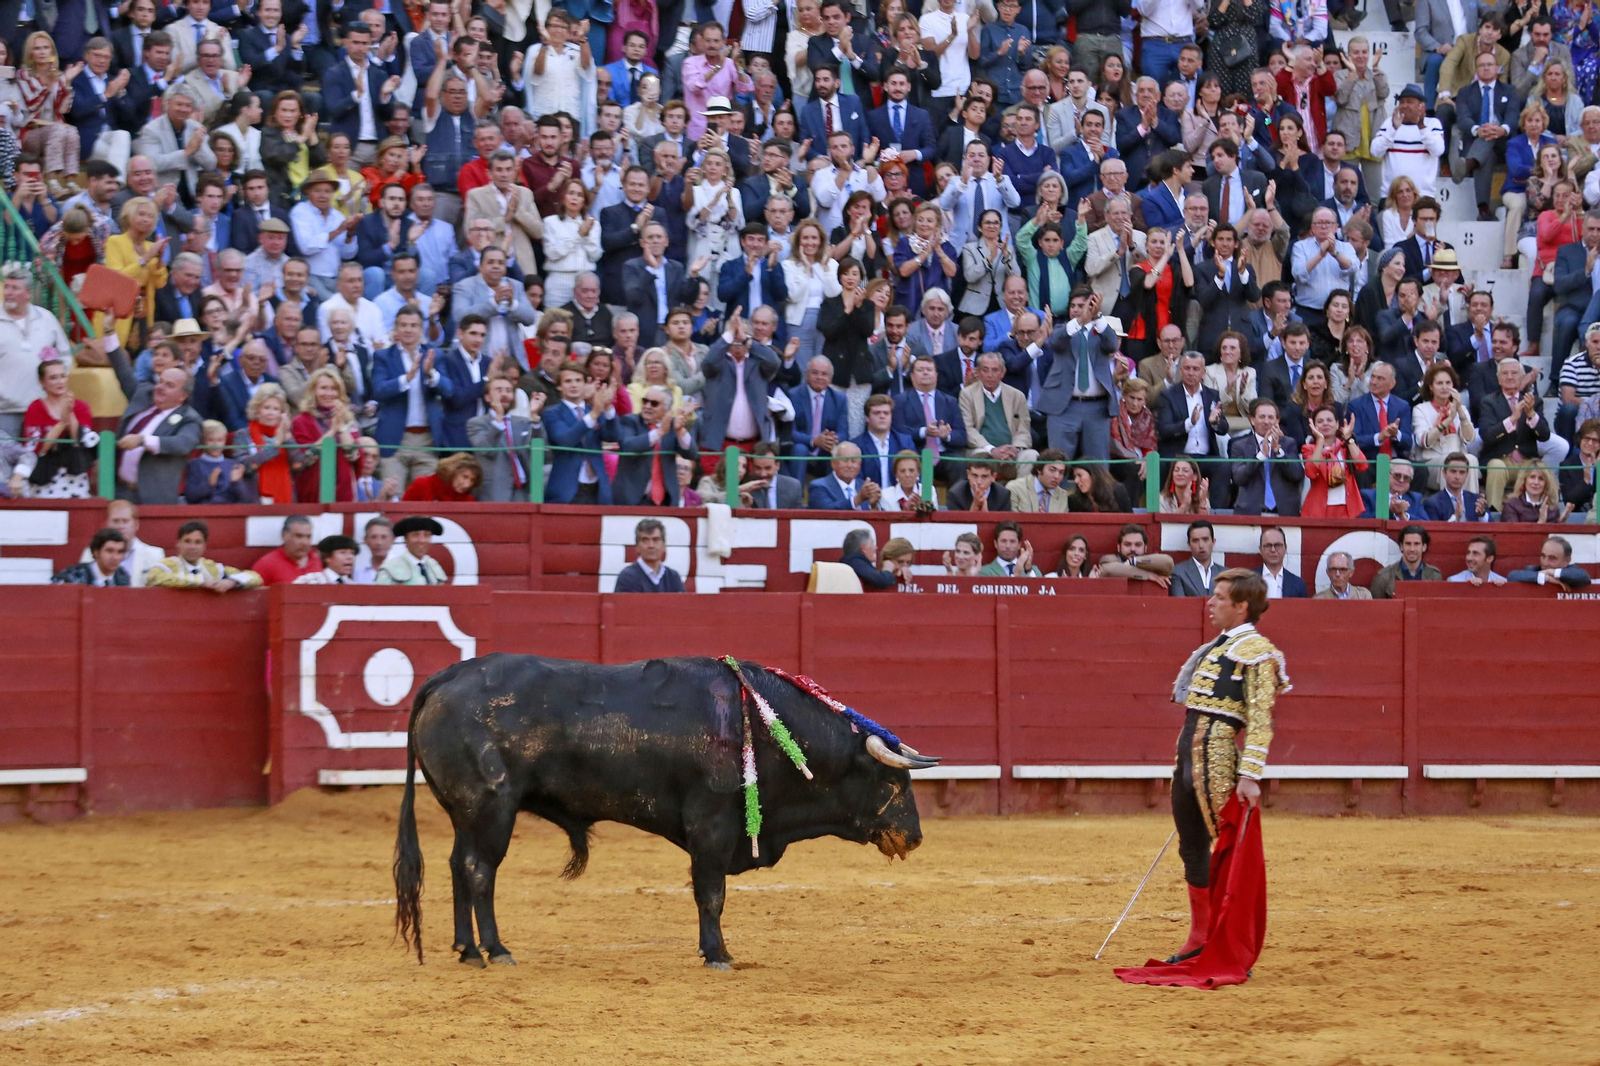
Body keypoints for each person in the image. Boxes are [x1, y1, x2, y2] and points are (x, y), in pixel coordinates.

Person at [1229, 399, 1303, 516]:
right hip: (1250, 512)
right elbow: (1238, 478)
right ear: (1252, 420)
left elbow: (1297, 475)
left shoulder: (1288, 443)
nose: (1266, 421)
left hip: (1284, 512)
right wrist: (1261, 456)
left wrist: (1279, 452)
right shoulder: (1239, 445)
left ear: (1277, 421)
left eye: (1270, 417)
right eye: (1262, 417)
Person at [145, 520, 264, 592]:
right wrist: (202, 582)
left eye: (198, 542)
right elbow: (153, 578)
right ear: (178, 544)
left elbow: (255, 577)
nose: (192, 547)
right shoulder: (167, 565)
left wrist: (232, 582)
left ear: (204, 546)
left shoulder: (213, 568)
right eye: (187, 541)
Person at [1300, 406, 1368, 519]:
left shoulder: (1346, 447)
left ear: (1337, 424)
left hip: (1347, 508)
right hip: (1319, 509)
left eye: (1329, 420)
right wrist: (1320, 441)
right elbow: (1311, 473)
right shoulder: (1309, 448)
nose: (1325, 424)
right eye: (1320, 421)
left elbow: (1362, 466)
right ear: (1314, 427)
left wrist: (1349, 439)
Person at [1369, 524, 1445, 598]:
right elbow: (1376, 609)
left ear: (1424, 547)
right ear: (1401, 546)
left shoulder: (1435, 575)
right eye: (1408, 544)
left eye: (1416, 544)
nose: (1412, 549)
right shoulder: (1383, 577)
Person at [613, 518, 687, 592]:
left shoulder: (673, 577)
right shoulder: (627, 577)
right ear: (637, 547)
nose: (651, 545)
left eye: (656, 540)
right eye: (645, 540)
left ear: (664, 546)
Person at [376, 516, 449, 585]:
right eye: (415, 535)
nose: (422, 540)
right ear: (405, 539)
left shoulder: (433, 566)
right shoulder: (390, 568)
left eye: (426, 535)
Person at [251, 515, 322, 585]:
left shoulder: (319, 561)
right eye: (299, 536)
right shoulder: (267, 565)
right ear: (284, 535)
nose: (305, 542)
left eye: (308, 537)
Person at [1095, 523, 1174, 586]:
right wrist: (1147, 575)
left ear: (1145, 548)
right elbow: (1110, 569)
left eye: (1138, 545)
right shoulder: (1109, 559)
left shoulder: (1151, 562)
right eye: (1127, 544)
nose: (1133, 549)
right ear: (1119, 547)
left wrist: (1133, 561)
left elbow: (1168, 562)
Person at [1423, 452, 1491, 522]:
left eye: (1462, 472)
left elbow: (1492, 528)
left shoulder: (1477, 500)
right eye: (1453, 471)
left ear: (1467, 475)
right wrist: (1455, 518)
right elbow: (1434, 531)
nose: (1457, 477)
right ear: (1444, 473)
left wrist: (1482, 516)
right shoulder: (1432, 503)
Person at [52, 528, 132, 587]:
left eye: (120, 552)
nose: (115, 557)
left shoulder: (123, 577)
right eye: (109, 551)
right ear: (96, 552)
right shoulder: (73, 576)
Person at [1509, 535, 1593, 588]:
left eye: (1552, 558)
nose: (1545, 563)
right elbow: (1511, 576)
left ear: (1567, 560)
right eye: (1543, 556)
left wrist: (1553, 572)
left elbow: (1584, 577)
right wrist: (1546, 577)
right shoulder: (1534, 570)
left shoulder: (1573, 571)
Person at [1169, 519, 1223, 598]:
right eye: (1195, 541)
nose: (1201, 545)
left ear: (1213, 542)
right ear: (1189, 544)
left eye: (1205, 539)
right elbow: (1180, 606)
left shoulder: (1226, 573)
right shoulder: (1178, 572)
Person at [1360, 457, 1426, 520]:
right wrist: (1389, 511)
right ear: (1386, 475)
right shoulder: (1368, 495)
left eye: (1406, 478)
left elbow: (1426, 524)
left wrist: (1404, 516)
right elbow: (1361, 521)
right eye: (1397, 475)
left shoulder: (1415, 498)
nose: (1401, 480)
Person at [1255, 526, 1308, 599]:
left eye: (1278, 545)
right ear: (1260, 550)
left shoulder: (1298, 584)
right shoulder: (1247, 581)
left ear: (1285, 548)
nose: (1273, 550)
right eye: (1268, 546)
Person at [291, 536, 361, 585]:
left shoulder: (355, 586)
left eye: (352, 553)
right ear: (327, 557)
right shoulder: (308, 582)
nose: (350, 557)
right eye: (343, 552)